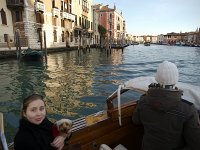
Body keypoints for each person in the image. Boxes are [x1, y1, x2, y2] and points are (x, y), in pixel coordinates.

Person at [132, 61, 200, 150]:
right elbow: (195, 144)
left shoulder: (143, 100)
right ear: (176, 80)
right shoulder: (188, 109)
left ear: (157, 79)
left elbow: (136, 121)